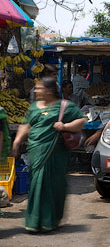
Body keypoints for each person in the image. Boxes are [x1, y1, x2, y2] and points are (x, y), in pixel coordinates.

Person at [12, 77, 85, 232]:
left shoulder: (65, 106)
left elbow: (81, 120)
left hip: (56, 154)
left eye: (39, 88)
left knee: (53, 185)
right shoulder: (34, 107)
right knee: (37, 184)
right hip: (37, 152)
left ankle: (49, 221)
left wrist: (65, 125)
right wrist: (17, 141)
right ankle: (34, 221)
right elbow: (26, 125)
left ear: (49, 90)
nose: (36, 91)